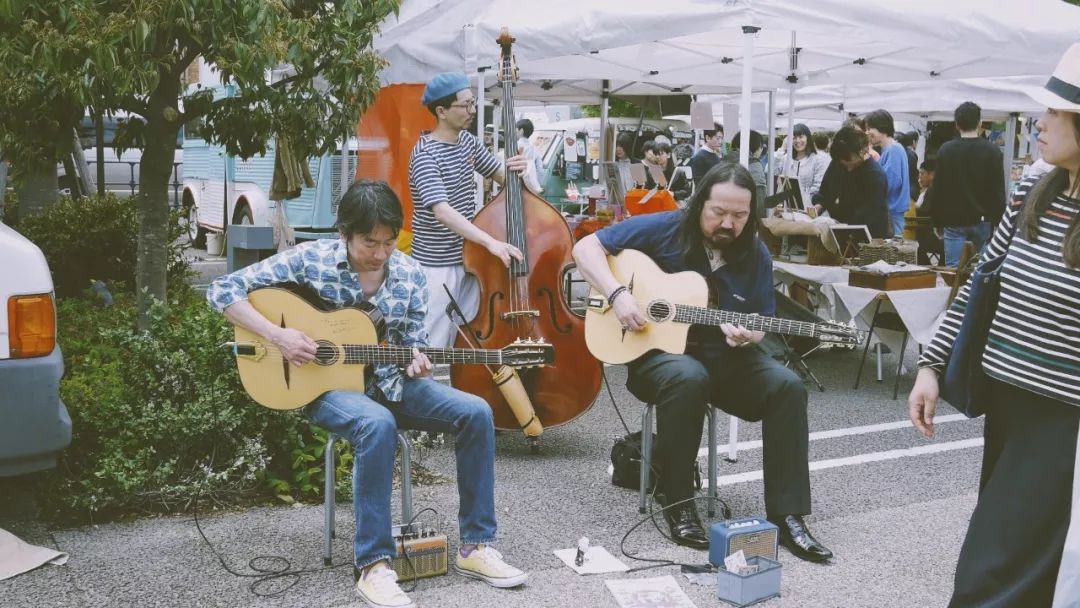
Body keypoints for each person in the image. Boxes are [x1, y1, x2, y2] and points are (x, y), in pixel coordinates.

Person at [206, 180, 528, 608]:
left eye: (388, 243)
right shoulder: (312, 259)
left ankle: (475, 546)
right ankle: (373, 566)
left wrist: (416, 361)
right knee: (376, 423)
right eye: (369, 243)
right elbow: (221, 290)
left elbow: (412, 344)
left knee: (477, 412)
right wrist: (277, 335)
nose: (379, 253)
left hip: (390, 382)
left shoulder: (410, 274)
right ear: (344, 233)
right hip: (325, 388)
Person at [571, 161, 833, 563]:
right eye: (719, 212)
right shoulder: (666, 228)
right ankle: (678, 502)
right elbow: (585, 248)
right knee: (688, 377)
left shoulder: (755, 253)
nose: (728, 223)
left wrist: (748, 334)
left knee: (787, 386)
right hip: (656, 357)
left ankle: (787, 515)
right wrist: (617, 294)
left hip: (726, 357)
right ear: (700, 204)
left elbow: (760, 321)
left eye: (740, 215)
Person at [909, 42, 1080, 606]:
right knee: (1018, 568)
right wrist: (931, 365)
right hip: (1006, 403)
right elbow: (981, 282)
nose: (1040, 121)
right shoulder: (1034, 189)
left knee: (991, 574)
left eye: (1055, 112)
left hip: (1062, 422)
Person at [408, 72, 527, 348]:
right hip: (436, 266)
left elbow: (503, 177)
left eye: (473, 103)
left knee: (468, 340)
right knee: (432, 344)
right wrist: (491, 242)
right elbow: (442, 211)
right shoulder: (425, 155)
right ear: (441, 111)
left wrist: (519, 172)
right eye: (466, 105)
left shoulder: (468, 142)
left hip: (469, 260)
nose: (473, 111)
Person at [924, 101, 1006, 267]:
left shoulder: (946, 150)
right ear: (980, 123)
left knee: (954, 270)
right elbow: (997, 190)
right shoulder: (992, 151)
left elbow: (938, 188)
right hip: (983, 220)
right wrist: (998, 221)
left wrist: (937, 221)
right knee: (980, 269)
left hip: (953, 220)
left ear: (957, 124)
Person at [812, 125, 890, 239]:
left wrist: (840, 227)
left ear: (862, 151)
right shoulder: (838, 161)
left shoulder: (875, 176)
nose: (847, 168)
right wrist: (819, 205)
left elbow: (867, 215)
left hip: (869, 237)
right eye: (843, 163)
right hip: (839, 229)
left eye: (849, 161)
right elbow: (825, 190)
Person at [864, 109, 911, 237]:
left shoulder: (893, 150)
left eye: (869, 128)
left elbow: (890, 183)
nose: (867, 132)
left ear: (882, 128)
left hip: (892, 213)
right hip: (891, 212)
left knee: (892, 248)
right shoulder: (889, 149)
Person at [773, 123, 831, 207]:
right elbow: (772, 172)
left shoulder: (818, 159)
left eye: (801, 137)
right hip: (787, 207)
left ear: (808, 138)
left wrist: (799, 196)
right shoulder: (786, 158)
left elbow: (818, 187)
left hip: (810, 207)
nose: (797, 141)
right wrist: (782, 148)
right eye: (794, 137)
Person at [726, 130, 768, 216]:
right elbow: (759, 197)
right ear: (756, 147)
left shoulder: (724, 161)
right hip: (745, 216)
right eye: (761, 146)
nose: (761, 150)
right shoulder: (754, 165)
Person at [641, 139, 693, 203]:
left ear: (668, 155)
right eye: (656, 154)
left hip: (672, 204)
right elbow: (646, 189)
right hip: (656, 205)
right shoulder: (652, 171)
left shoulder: (678, 172)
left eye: (661, 154)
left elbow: (687, 191)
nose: (658, 157)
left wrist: (673, 194)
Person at [914, 159, 943, 265]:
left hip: (931, 234)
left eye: (922, 173)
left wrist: (912, 207)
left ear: (932, 175)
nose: (920, 177)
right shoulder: (931, 189)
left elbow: (925, 211)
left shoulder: (932, 190)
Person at [689, 123, 725, 190]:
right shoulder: (699, 157)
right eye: (717, 138)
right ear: (707, 138)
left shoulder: (715, 155)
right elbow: (699, 184)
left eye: (721, 138)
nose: (720, 142)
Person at [515, 118, 544, 193]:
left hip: (515, 184)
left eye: (516, 130)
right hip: (530, 188)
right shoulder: (534, 149)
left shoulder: (514, 146)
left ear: (521, 130)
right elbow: (540, 170)